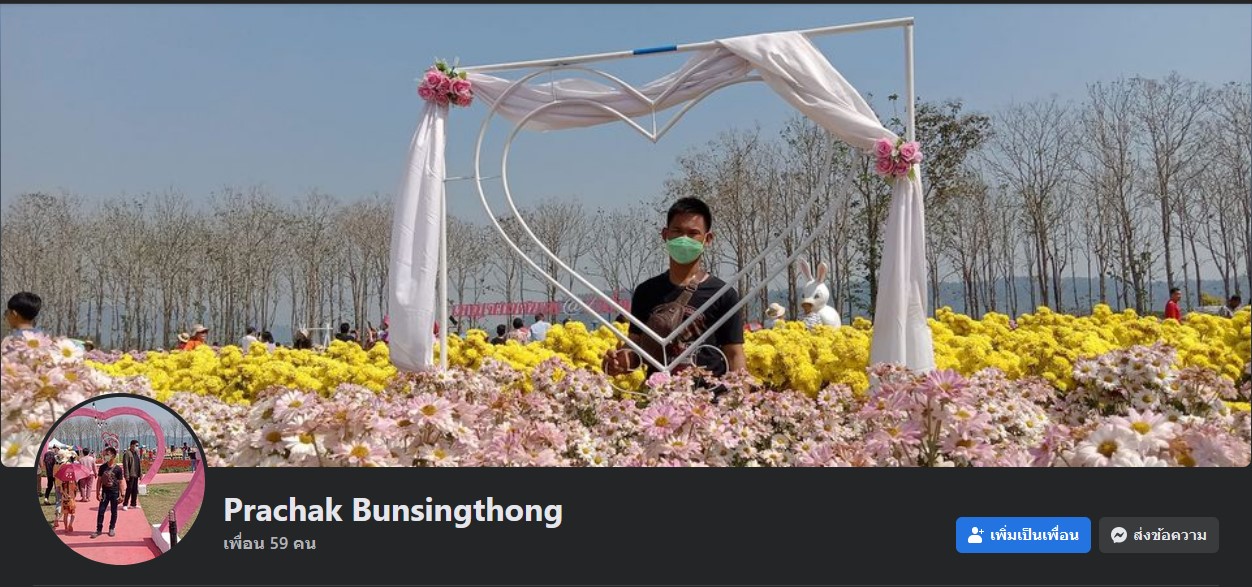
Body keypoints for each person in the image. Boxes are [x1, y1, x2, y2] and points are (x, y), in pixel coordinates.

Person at [604, 197, 746, 379]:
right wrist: (618, 363)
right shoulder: (646, 291)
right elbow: (635, 348)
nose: (684, 239)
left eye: (693, 233)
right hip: (661, 393)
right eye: (677, 231)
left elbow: (734, 354)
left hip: (709, 394)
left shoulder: (722, 294)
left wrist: (741, 393)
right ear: (665, 235)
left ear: (708, 239)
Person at [92, 447, 123, 539]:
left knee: (114, 511)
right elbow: (99, 481)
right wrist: (97, 493)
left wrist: (122, 494)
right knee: (101, 511)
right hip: (105, 493)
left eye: (107, 454)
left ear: (113, 455)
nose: (105, 456)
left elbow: (121, 482)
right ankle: (98, 529)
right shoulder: (102, 467)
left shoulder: (118, 469)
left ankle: (112, 528)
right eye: (105, 454)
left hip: (115, 493)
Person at [121, 440, 142, 511]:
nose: (137, 447)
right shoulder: (127, 453)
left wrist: (140, 473)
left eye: (137, 446)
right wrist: (126, 475)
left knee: (135, 489)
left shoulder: (136, 453)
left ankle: (133, 504)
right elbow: (125, 465)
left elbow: (139, 464)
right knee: (129, 489)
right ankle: (125, 504)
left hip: (136, 474)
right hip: (130, 474)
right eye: (136, 445)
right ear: (131, 445)